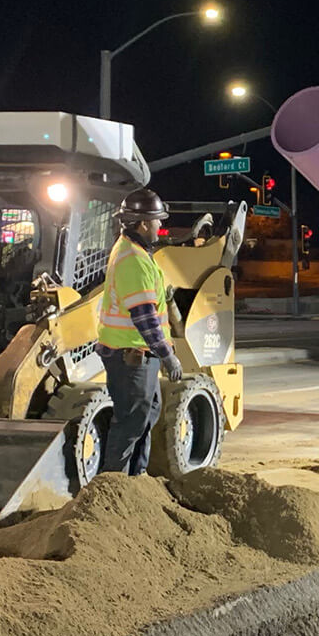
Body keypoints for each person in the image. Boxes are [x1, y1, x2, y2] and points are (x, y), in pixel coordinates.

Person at [96, 188, 185, 475]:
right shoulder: (132, 259)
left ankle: (136, 481)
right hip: (131, 356)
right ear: (143, 224)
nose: (161, 225)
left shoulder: (135, 252)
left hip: (137, 355)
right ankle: (113, 486)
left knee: (146, 415)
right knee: (131, 422)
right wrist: (168, 355)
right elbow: (144, 317)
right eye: (157, 220)